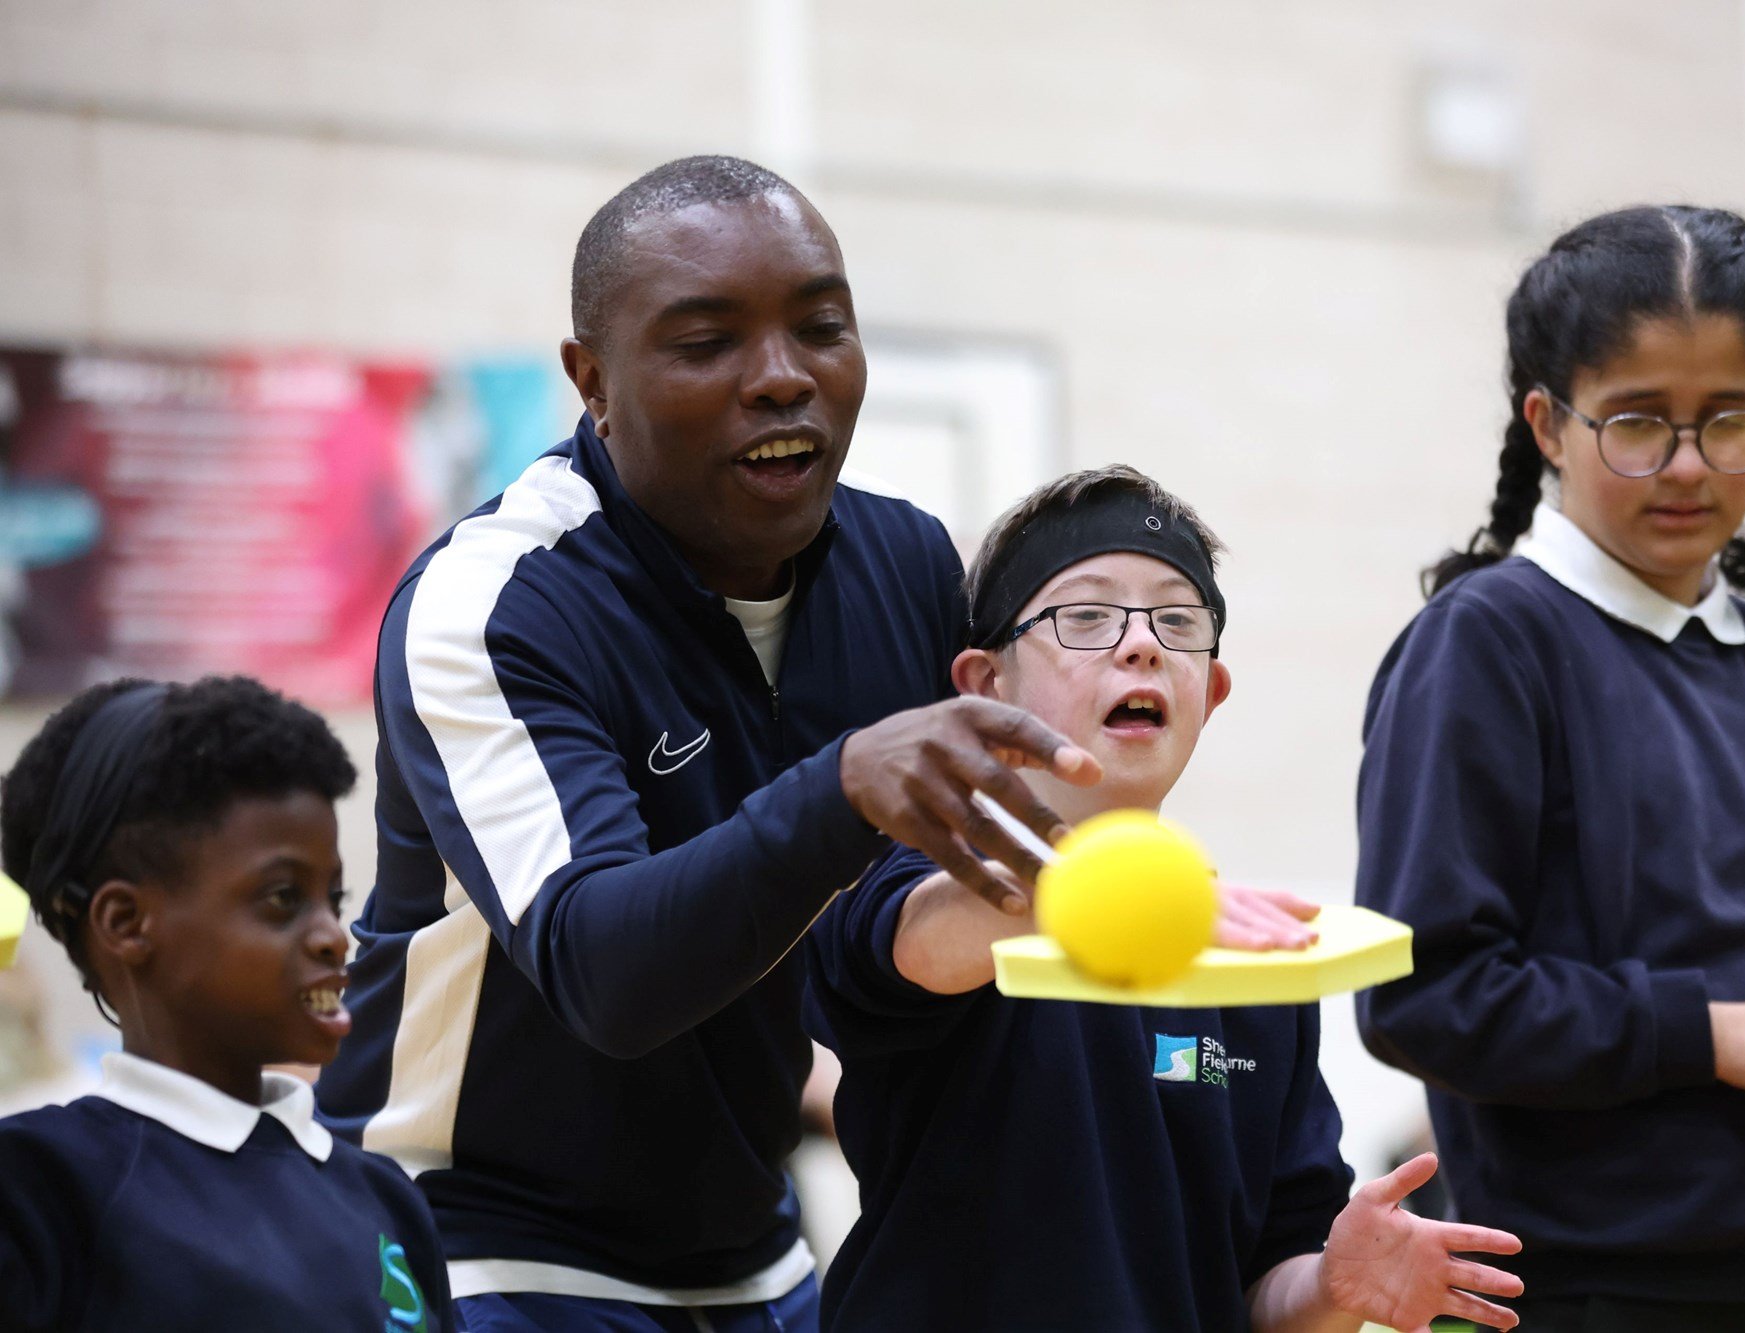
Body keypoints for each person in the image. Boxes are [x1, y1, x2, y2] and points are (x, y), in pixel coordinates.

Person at [315, 154, 1097, 1331]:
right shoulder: (497, 604)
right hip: (469, 1240)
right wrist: (838, 789)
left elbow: (906, 918)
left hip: (751, 1245)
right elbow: (604, 971)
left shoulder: (907, 564)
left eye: (820, 327)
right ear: (592, 380)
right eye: (705, 342)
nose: (780, 377)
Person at [1354, 205, 1745, 1332]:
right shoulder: (1486, 644)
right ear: (1548, 423)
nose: (1686, 466)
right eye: (1638, 423)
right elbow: (1425, 997)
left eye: (1727, 420)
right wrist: (1724, 1034)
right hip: (1612, 1292)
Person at [805, 465, 1525, 1332]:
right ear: (984, 684)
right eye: (1086, 616)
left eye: (1177, 622)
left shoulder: (1253, 956)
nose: (1140, 644)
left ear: (1210, 692)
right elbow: (919, 948)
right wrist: (1110, 889)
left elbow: (1266, 1280)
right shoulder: (919, 870)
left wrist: (1338, 1286)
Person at [0, 676, 450, 1332]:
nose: (331, 935)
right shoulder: (40, 1185)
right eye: (282, 898)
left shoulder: (387, 1198)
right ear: (127, 923)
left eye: (334, 898)